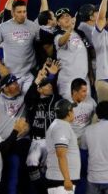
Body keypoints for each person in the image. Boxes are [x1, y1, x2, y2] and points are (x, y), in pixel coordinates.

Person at [25, 63, 63, 194]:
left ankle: (47, 190)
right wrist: (36, 82)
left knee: (49, 169)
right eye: (46, 85)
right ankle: (40, 190)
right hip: (37, 140)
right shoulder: (33, 101)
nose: (50, 86)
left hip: (51, 141)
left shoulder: (56, 99)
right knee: (31, 163)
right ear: (39, 89)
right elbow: (28, 97)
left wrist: (51, 76)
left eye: (50, 84)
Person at [0, 0, 41, 92]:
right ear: (13, 13)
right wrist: (0, 66)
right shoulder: (3, 27)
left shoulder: (33, 26)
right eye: (19, 12)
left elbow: (40, 47)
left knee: (27, 101)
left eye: (24, 11)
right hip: (11, 74)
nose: (22, 15)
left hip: (29, 73)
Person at [45, 99, 82, 194]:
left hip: (60, 180)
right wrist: (67, 179)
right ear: (69, 113)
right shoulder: (61, 127)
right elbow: (61, 154)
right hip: (61, 181)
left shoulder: (59, 125)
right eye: (72, 110)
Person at [53, 8, 91, 99]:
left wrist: (91, 73)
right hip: (68, 81)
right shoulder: (58, 34)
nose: (66, 18)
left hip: (84, 79)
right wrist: (70, 29)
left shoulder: (80, 33)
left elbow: (87, 52)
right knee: (70, 109)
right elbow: (61, 42)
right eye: (62, 17)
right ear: (58, 23)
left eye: (67, 16)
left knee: (86, 108)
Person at [69, 78, 96, 145]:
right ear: (75, 92)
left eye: (86, 91)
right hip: (73, 141)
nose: (86, 94)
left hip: (88, 139)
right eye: (83, 91)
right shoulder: (66, 105)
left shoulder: (90, 101)